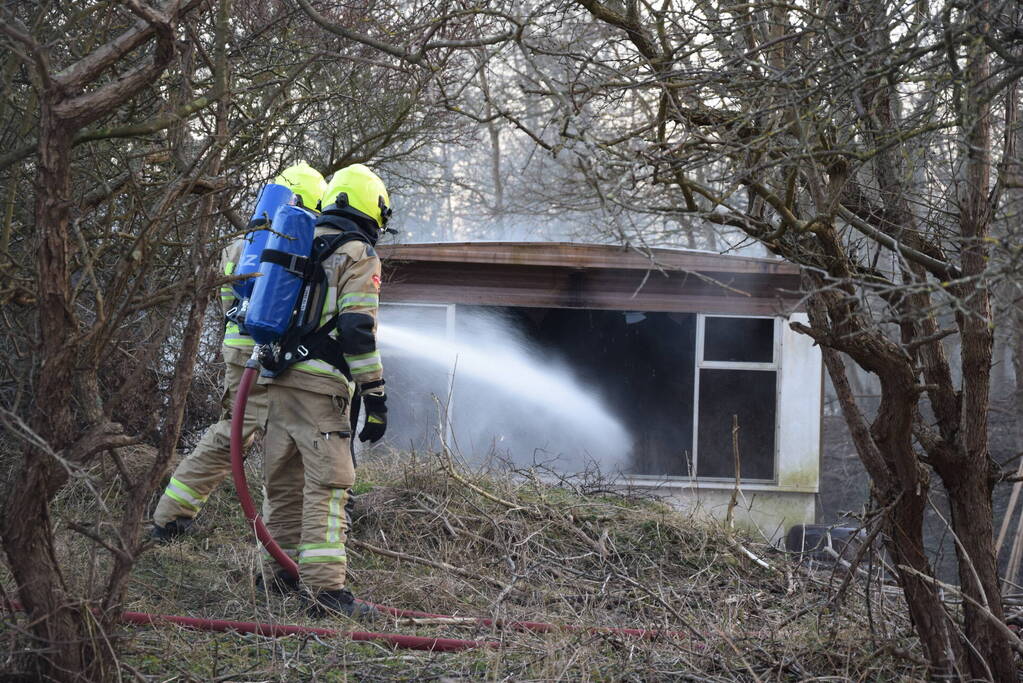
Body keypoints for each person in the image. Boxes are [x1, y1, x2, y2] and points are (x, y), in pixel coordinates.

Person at [151, 162, 327, 542]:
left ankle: (173, 514)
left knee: (234, 431)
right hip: (270, 355)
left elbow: (228, 299)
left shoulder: (244, 242)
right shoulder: (300, 240)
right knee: (272, 441)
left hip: (236, 349)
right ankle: (287, 537)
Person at [259, 163, 390, 618]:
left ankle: (275, 577)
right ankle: (324, 593)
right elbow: (357, 328)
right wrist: (375, 393)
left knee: (284, 483)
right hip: (320, 387)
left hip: (277, 379)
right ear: (372, 208)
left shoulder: (299, 239)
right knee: (328, 486)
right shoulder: (357, 252)